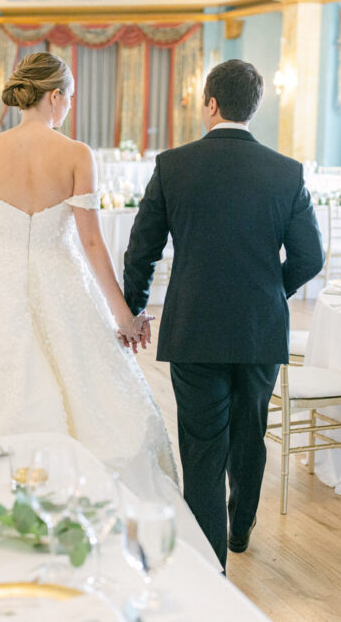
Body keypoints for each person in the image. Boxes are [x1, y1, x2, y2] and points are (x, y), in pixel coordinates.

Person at [0, 51, 177, 497]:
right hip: (62, 278)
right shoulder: (76, 154)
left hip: (0, 278)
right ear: (54, 97)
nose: (69, 107)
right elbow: (91, 243)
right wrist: (124, 317)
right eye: (68, 98)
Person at [122, 59, 324, 568]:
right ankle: (242, 526)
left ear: (210, 103)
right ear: (254, 108)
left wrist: (134, 308)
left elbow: (141, 250)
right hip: (259, 329)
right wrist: (268, 292)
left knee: (202, 445)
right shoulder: (287, 172)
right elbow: (311, 258)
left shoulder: (173, 164)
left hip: (195, 327)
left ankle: (211, 562)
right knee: (250, 431)